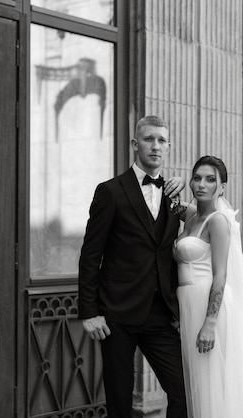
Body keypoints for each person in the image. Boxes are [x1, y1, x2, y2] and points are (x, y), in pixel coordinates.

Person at [78, 115, 188, 418]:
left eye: (161, 140)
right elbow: (91, 254)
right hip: (116, 313)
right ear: (134, 144)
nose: (155, 146)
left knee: (183, 390)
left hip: (160, 313)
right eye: (149, 139)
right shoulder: (110, 191)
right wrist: (89, 311)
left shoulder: (172, 194)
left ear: (168, 146)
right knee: (119, 400)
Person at [173, 156, 243, 417]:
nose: (202, 184)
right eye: (197, 177)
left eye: (211, 180)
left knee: (217, 384)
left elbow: (220, 276)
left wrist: (210, 322)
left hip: (210, 310)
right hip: (188, 304)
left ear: (222, 187)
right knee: (200, 385)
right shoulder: (191, 217)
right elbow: (165, 202)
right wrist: (173, 182)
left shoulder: (218, 221)